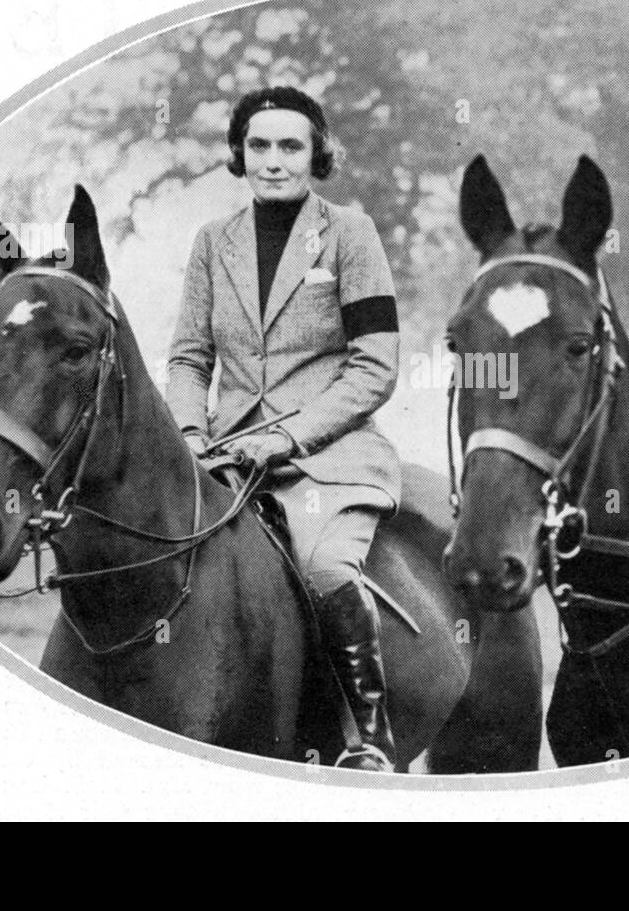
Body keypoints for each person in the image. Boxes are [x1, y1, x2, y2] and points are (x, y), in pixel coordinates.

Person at [166, 86, 402, 770]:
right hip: (229, 454)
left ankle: (370, 737)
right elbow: (189, 356)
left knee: (325, 567)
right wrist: (188, 431)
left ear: (315, 154)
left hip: (331, 455)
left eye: (290, 146)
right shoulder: (212, 242)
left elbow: (376, 365)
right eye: (259, 146)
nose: (273, 161)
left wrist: (290, 435)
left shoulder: (351, 234)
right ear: (240, 154)